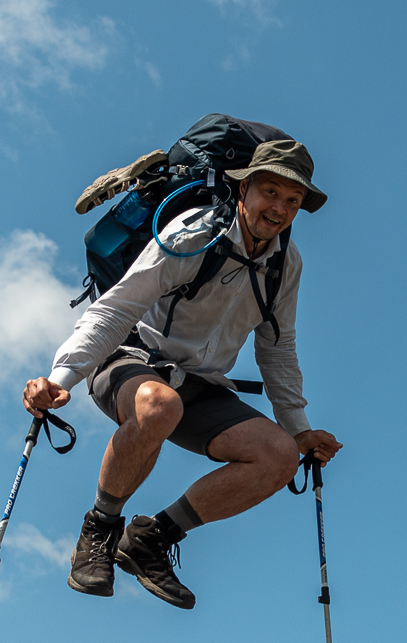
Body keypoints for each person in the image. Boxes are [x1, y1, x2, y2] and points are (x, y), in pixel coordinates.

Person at [23, 140, 342, 608]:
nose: (280, 208)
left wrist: (298, 430)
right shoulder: (195, 233)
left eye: (292, 201)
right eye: (270, 192)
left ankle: (151, 538)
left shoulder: (285, 264)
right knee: (159, 405)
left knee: (277, 457)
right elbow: (118, 306)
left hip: (202, 382)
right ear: (244, 188)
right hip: (131, 357)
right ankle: (101, 529)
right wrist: (62, 376)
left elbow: (277, 346)